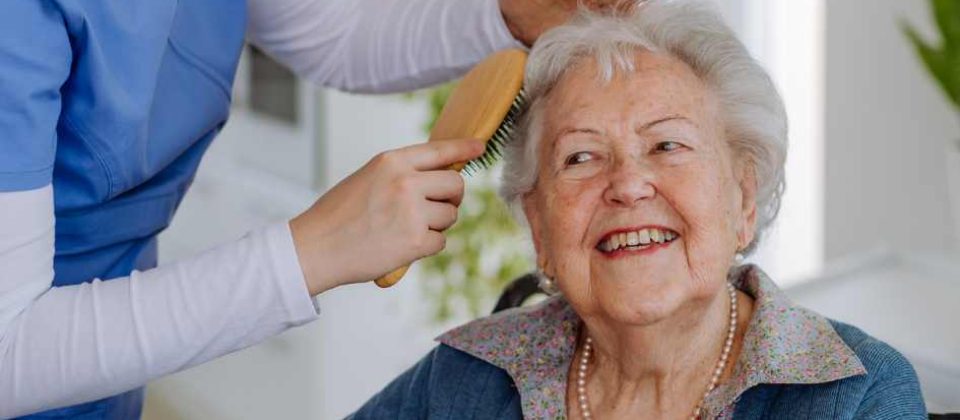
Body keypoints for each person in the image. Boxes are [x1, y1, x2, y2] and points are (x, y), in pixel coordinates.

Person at [0, 0, 621, 418]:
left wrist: (508, 14)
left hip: (106, 364)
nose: (632, 187)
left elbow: (333, 36)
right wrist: (314, 252)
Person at [348, 1, 929, 419]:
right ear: (539, 227)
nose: (628, 185)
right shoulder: (467, 377)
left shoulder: (854, 394)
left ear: (743, 199)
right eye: (580, 156)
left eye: (667, 145)